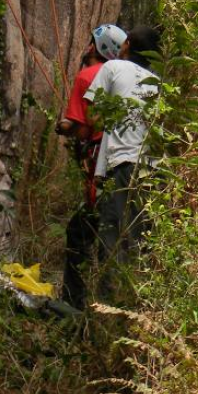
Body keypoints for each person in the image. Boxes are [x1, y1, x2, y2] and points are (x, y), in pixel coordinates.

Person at [84, 26, 161, 295]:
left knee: (111, 241)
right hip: (151, 171)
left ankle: (107, 313)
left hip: (123, 165)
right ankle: (133, 305)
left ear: (126, 44)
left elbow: (93, 118)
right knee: (138, 244)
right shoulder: (158, 83)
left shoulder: (113, 67)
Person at [55, 24, 127, 310]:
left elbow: (83, 130)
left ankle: (76, 303)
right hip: (121, 163)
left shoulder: (88, 75)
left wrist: (63, 126)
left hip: (99, 162)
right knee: (102, 229)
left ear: (94, 48)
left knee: (82, 231)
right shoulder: (122, 77)